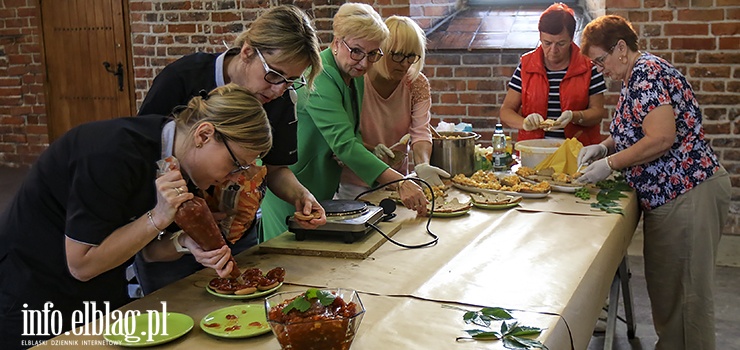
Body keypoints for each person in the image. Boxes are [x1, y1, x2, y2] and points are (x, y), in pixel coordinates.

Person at [0, 84, 272, 348]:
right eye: (236, 164)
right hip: (35, 294)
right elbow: (82, 265)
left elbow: (145, 252)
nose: (235, 177)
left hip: (102, 292)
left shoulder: (183, 163)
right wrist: (158, 217)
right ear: (203, 135)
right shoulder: (111, 154)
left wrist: (182, 243)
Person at [135, 5, 326, 294]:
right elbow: (145, 158)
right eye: (275, 75)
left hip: (237, 238)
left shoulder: (281, 96)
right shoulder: (183, 78)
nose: (279, 90)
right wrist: (187, 219)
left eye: (290, 81)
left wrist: (301, 195)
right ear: (248, 51)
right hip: (172, 244)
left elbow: (275, 169)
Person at [578, 15, 731, 350]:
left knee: (686, 301)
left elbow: (661, 138)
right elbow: (633, 132)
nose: (599, 68)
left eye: (600, 60)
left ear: (621, 48)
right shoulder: (636, 77)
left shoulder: (647, 72)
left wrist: (610, 163)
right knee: (669, 296)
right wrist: (603, 147)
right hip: (672, 197)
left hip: (687, 193)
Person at [261, 3, 429, 242]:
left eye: (373, 54)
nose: (364, 63)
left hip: (324, 185)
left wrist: (369, 150)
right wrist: (399, 181)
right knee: (288, 259)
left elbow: (349, 134)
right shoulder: (320, 75)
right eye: (357, 51)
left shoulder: (354, 74)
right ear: (337, 42)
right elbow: (344, 144)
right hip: (291, 186)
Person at [336, 15, 449, 200]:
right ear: (380, 51)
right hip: (353, 185)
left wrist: (423, 164)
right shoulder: (355, 80)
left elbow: (420, 132)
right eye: (398, 55)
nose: (405, 64)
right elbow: (342, 138)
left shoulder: (416, 83)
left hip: (397, 183)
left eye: (411, 56)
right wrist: (371, 150)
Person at [500, 2, 607, 146]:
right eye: (547, 43)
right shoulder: (526, 65)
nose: (553, 50)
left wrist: (575, 116)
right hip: (535, 149)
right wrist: (525, 123)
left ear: (571, 39)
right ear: (540, 37)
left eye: (561, 44)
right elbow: (506, 111)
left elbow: (597, 112)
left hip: (577, 149)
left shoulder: (589, 67)